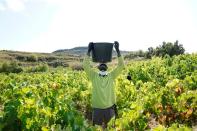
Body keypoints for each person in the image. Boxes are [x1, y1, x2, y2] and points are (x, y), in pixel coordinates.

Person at [83, 41, 124, 129]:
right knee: (107, 128)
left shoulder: (95, 76)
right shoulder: (110, 76)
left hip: (101, 109)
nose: (102, 65)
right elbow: (121, 65)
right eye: (102, 64)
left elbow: (85, 65)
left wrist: (89, 51)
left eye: (103, 64)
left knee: (105, 128)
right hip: (108, 109)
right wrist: (117, 51)